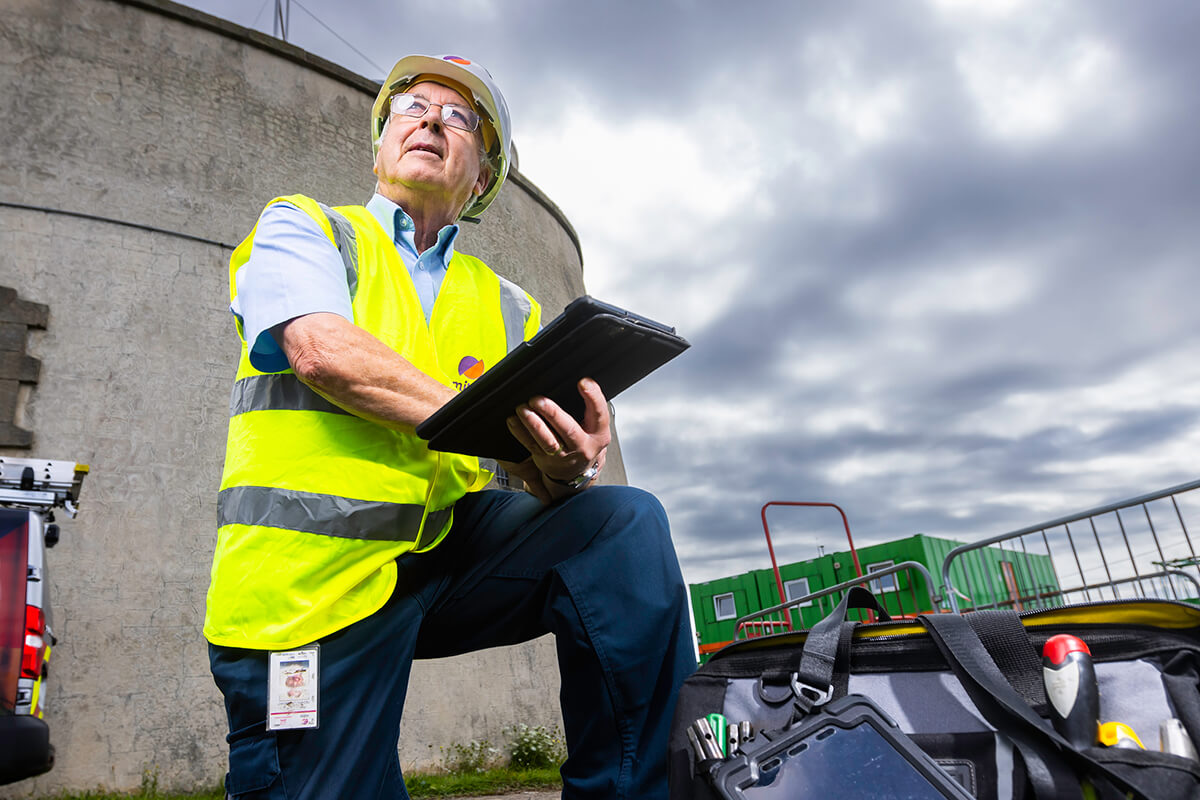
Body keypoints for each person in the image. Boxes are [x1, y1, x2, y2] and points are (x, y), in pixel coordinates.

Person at [203, 53, 696, 799]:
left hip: (449, 554)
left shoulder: (507, 305)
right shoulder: (306, 228)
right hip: (307, 594)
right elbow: (320, 352)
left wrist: (566, 468)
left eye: (459, 117)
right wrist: (489, 413)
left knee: (620, 522)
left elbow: (526, 471)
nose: (431, 118)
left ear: (482, 178)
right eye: (411, 106)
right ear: (381, 144)